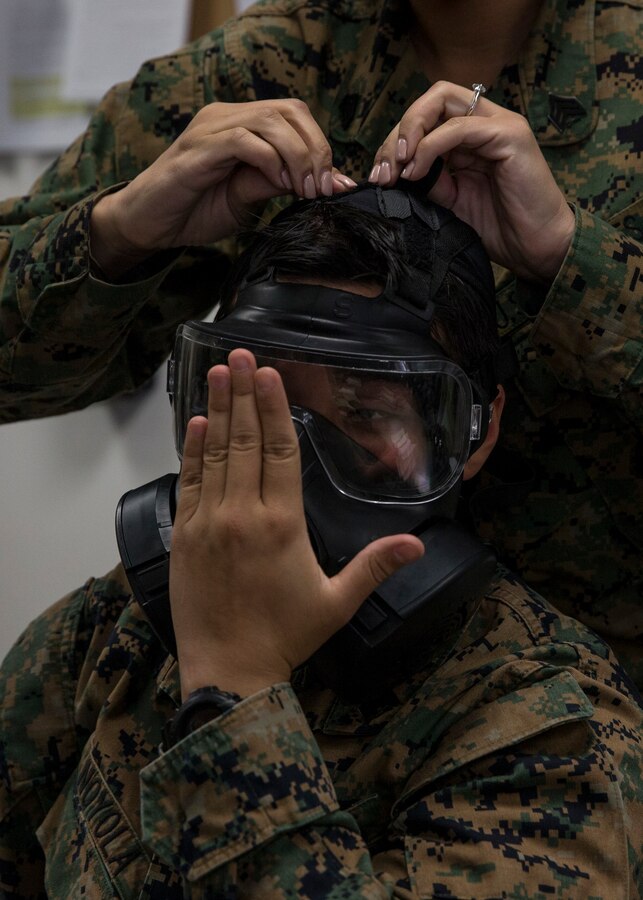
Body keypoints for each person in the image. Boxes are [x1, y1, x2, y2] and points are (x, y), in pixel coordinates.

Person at [1, 186, 641, 898]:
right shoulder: (127, 626)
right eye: (255, 398)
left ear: (476, 430)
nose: (287, 458)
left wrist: (233, 688)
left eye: (362, 411)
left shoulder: (546, 733)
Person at [0, 0, 641, 683]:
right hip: (262, 665)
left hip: (581, 722)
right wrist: (120, 231)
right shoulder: (254, 68)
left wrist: (576, 261)